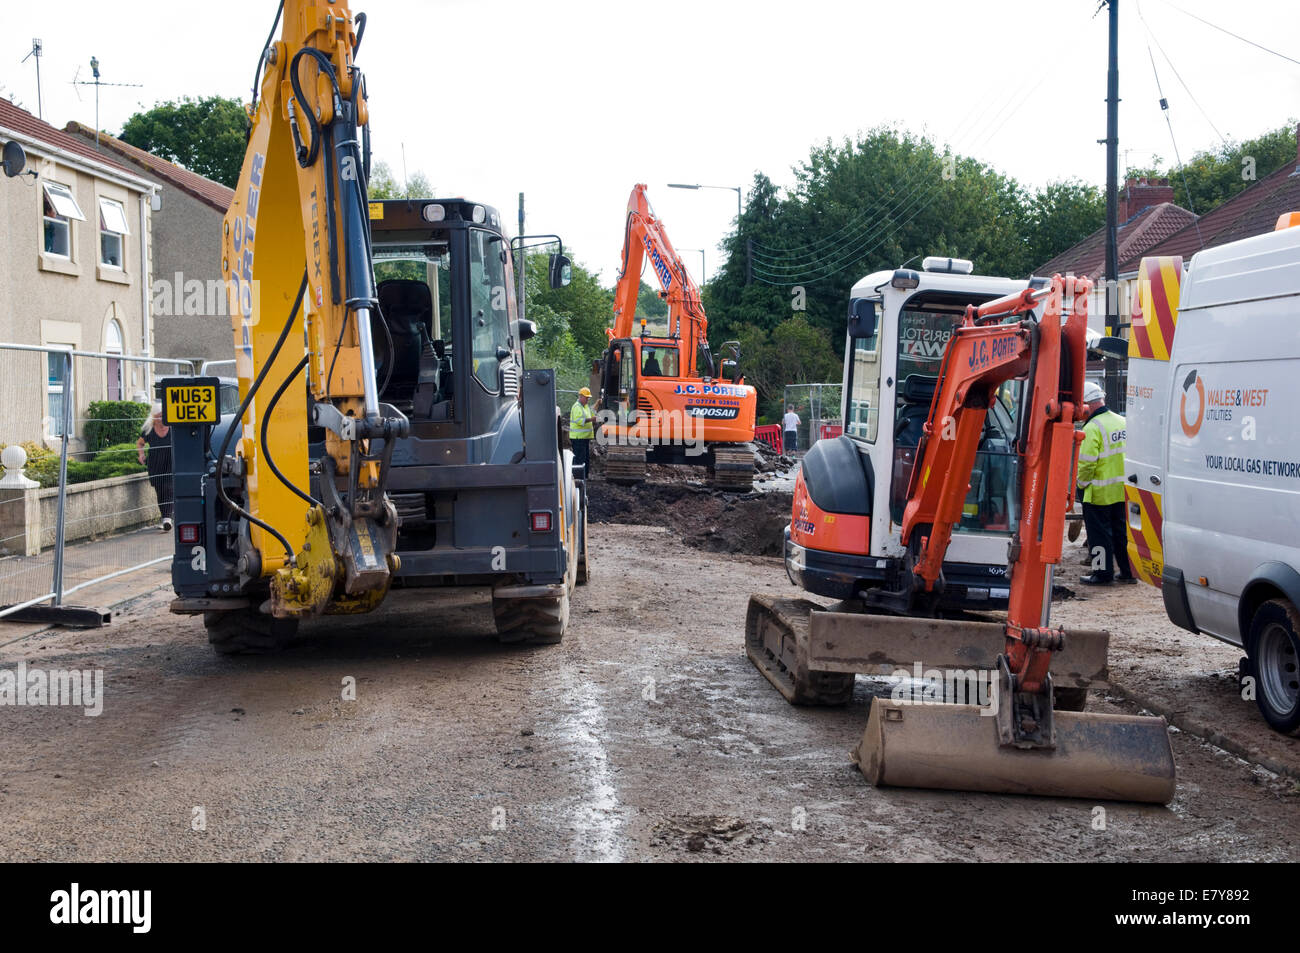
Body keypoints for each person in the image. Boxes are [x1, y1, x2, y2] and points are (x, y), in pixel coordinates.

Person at [1076, 381, 1135, 585]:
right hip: (1122, 491)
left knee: (1099, 538)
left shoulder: (1092, 428)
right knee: (1122, 534)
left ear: (1087, 404)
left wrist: (1081, 485)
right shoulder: (1122, 421)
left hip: (1099, 494)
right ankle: (1128, 572)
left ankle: (1102, 574)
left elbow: (1086, 464)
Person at [137, 404, 174, 533]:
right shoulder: (149, 430)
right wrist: (141, 455)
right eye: (160, 416)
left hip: (170, 462)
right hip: (155, 464)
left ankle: (167, 519)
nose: (162, 418)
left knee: (169, 488)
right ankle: (165, 517)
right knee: (160, 491)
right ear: (154, 418)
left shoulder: (173, 427)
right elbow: (140, 443)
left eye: (164, 415)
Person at [569, 386, 595, 474]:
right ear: (581, 396)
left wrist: (598, 403)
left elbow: (592, 413)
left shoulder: (585, 406)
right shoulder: (577, 407)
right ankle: (578, 477)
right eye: (586, 398)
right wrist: (592, 419)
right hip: (578, 438)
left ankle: (585, 476)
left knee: (585, 458)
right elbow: (580, 421)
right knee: (579, 459)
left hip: (584, 438)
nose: (587, 399)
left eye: (588, 398)